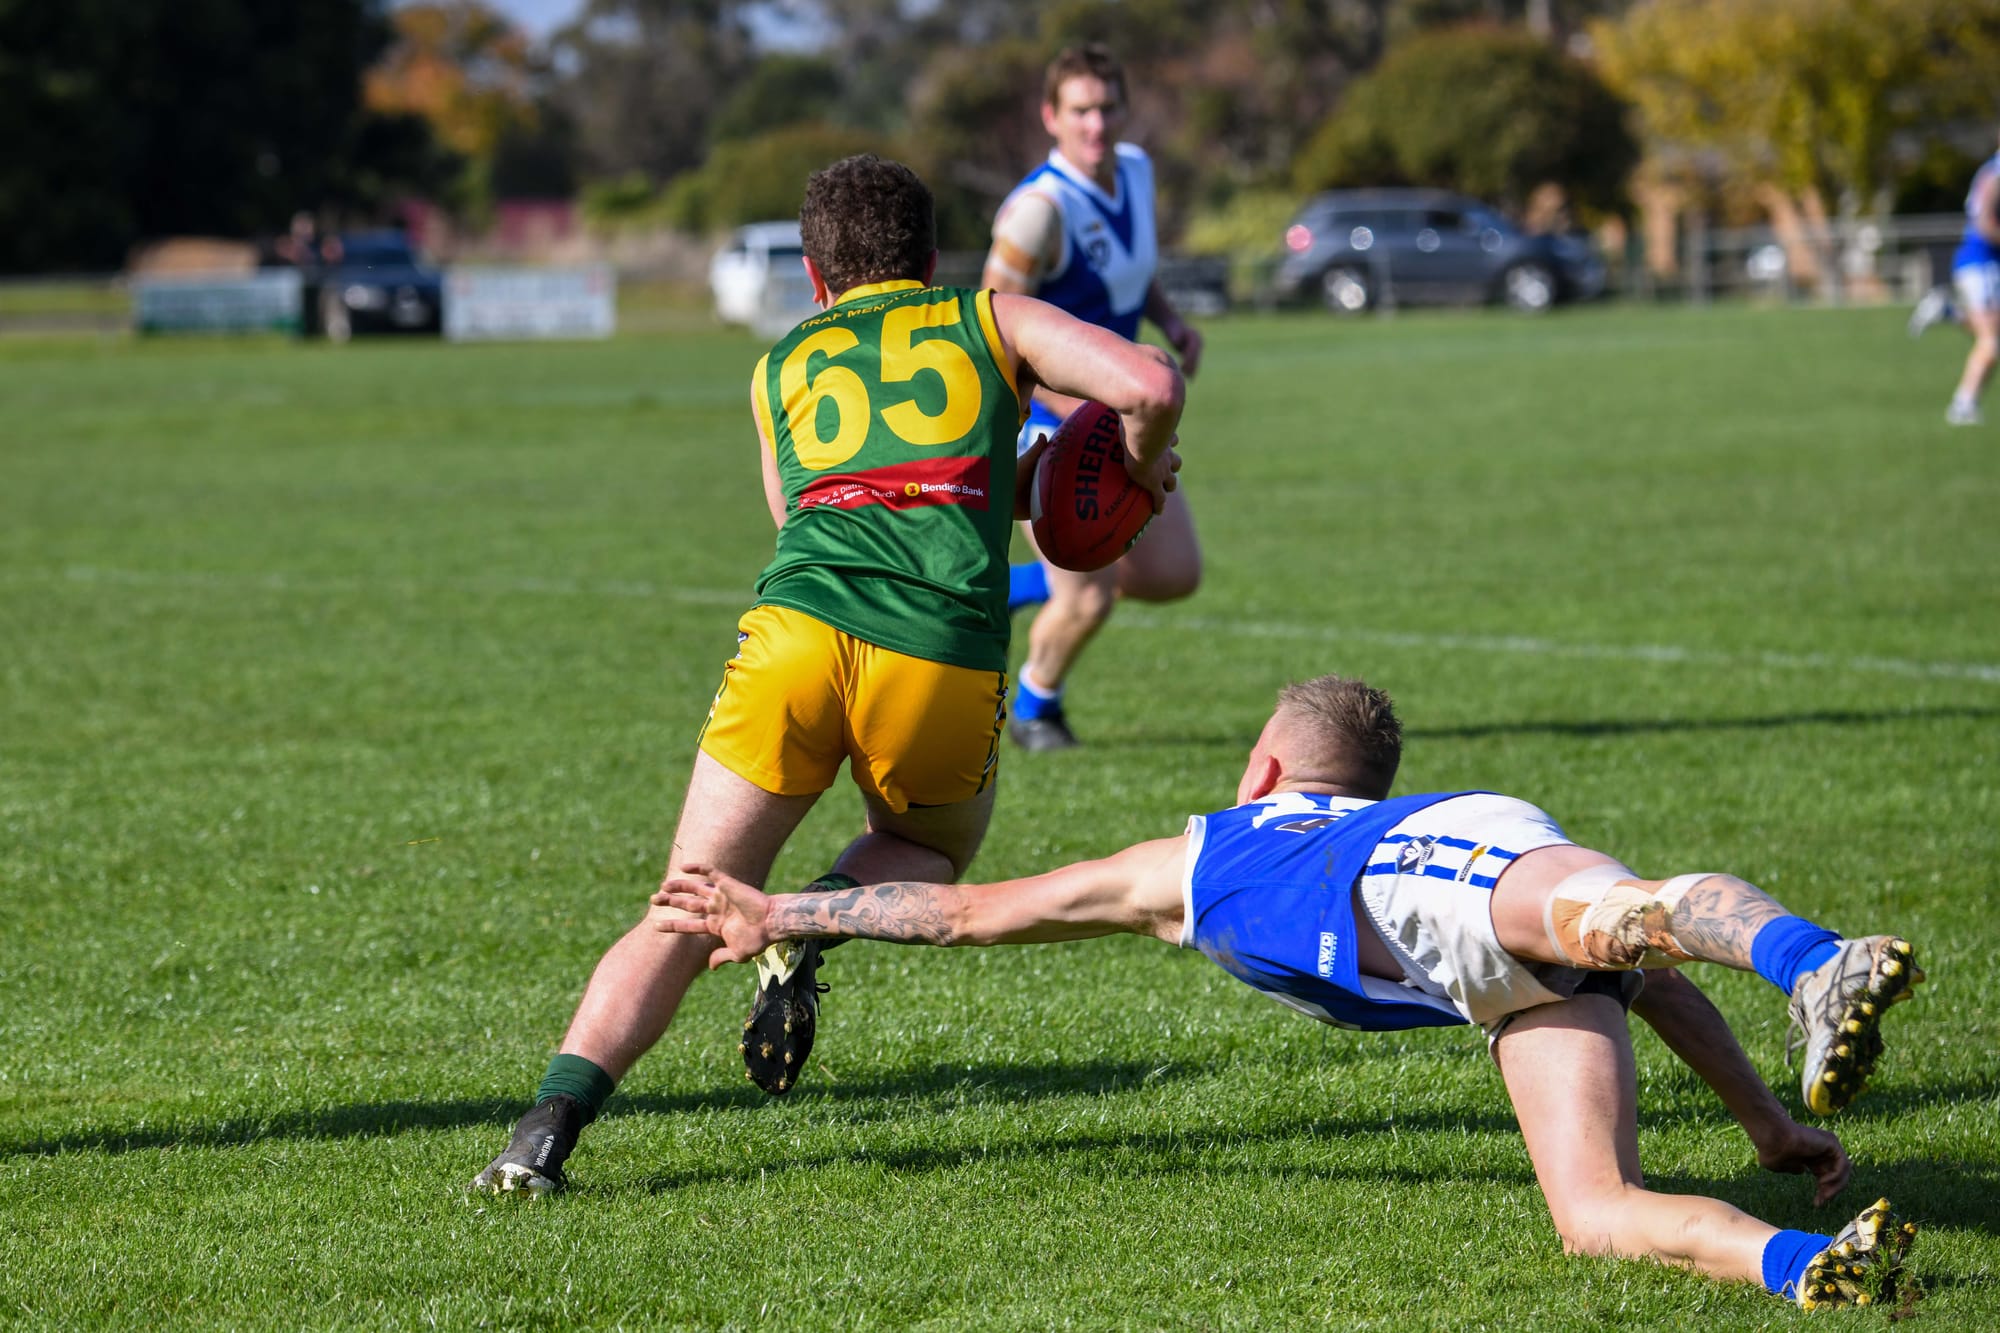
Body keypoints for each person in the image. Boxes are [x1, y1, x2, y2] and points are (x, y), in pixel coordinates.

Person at [657, 675, 1926, 1309]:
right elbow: (1645, 991)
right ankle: (1814, 1265)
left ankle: (1815, 958)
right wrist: (1765, 1125)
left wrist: (781, 909)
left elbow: (969, 912)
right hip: (1485, 970)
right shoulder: (1268, 841)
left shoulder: (1207, 849)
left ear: (1263, 763)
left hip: (1414, 883)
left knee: (1625, 910)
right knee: (1592, 1208)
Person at [470, 154, 1186, 1195]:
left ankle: (539, 1132)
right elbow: (1150, 383)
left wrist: (1005, 484)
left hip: (795, 634)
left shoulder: (780, 366)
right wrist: (1126, 466)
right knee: (928, 844)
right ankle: (801, 925)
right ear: (932, 259)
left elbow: (809, 514)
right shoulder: (988, 318)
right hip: (935, 650)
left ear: (814, 278)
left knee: (681, 903)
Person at [982, 44, 1206, 751]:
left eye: (1108, 107)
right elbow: (991, 336)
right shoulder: (1036, 214)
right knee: (1087, 590)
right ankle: (1035, 709)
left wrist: (1167, 320)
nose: (1097, 125)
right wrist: (1074, 400)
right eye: (1081, 109)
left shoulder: (1135, 170)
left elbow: (1132, 270)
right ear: (1052, 116)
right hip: (1045, 421)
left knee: (1173, 573)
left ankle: (1011, 586)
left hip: (1115, 413)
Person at [1909, 129, 2000, 426]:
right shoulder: (1995, 173)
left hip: (1983, 262)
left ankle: (1948, 312)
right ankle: (1963, 405)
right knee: (1991, 341)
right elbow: (1985, 222)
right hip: (1981, 262)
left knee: (1991, 336)